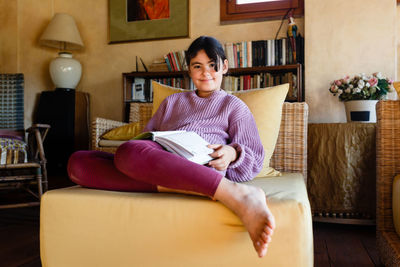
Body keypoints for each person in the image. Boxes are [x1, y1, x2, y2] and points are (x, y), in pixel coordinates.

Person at [68, 36, 275, 258]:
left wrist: (231, 153)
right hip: (162, 165)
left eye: (213, 66)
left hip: (202, 164)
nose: (206, 73)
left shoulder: (234, 106)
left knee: (128, 152)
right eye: (198, 66)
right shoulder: (172, 103)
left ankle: (235, 194)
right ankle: (191, 187)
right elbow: (145, 143)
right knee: (78, 163)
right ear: (189, 70)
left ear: (224, 66)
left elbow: (254, 160)